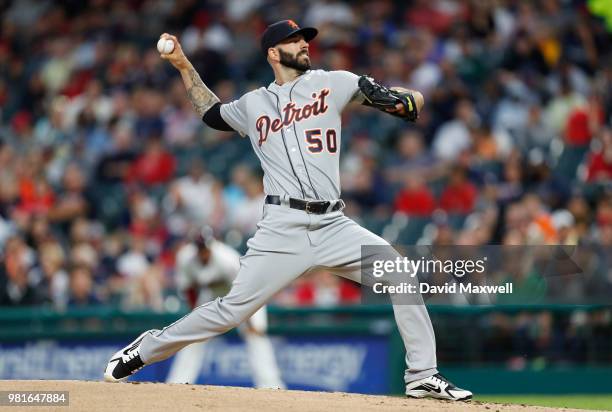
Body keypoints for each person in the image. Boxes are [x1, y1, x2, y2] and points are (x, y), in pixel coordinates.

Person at [105, 20, 472, 401]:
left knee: (401, 276)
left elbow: (409, 99)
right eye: (294, 41)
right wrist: (183, 66)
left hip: (334, 224)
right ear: (273, 53)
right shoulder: (253, 104)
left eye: (305, 39)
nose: (304, 45)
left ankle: (422, 375)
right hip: (282, 228)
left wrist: (403, 99)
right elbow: (211, 114)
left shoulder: (336, 82)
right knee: (231, 312)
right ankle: (145, 349)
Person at [166, 228, 284, 388]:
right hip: (213, 294)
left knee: (256, 336)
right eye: (199, 248)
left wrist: (250, 323)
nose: (202, 253)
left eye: (205, 248)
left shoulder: (227, 259)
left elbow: (246, 291)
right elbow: (189, 289)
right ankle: (177, 382)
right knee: (192, 334)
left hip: (247, 292)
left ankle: (271, 385)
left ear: (212, 245)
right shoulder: (185, 258)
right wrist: (195, 316)